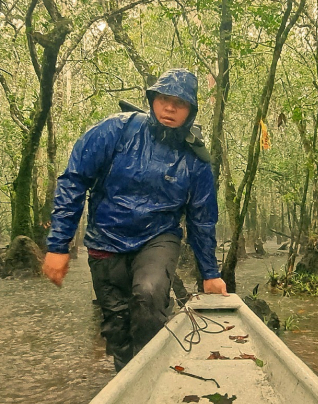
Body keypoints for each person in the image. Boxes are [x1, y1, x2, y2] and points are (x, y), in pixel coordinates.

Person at [42, 69, 229, 370]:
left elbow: (202, 218)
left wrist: (209, 272)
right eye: (164, 99)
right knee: (117, 324)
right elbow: (74, 180)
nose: (170, 108)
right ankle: (126, 380)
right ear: (153, 100)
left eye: (179, 103)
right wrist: (58, 245)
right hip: (106, 237)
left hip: (159, 237)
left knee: (149, 293)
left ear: (190, 111)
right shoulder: (115, 130)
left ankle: (151, 373)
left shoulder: (194, 160)